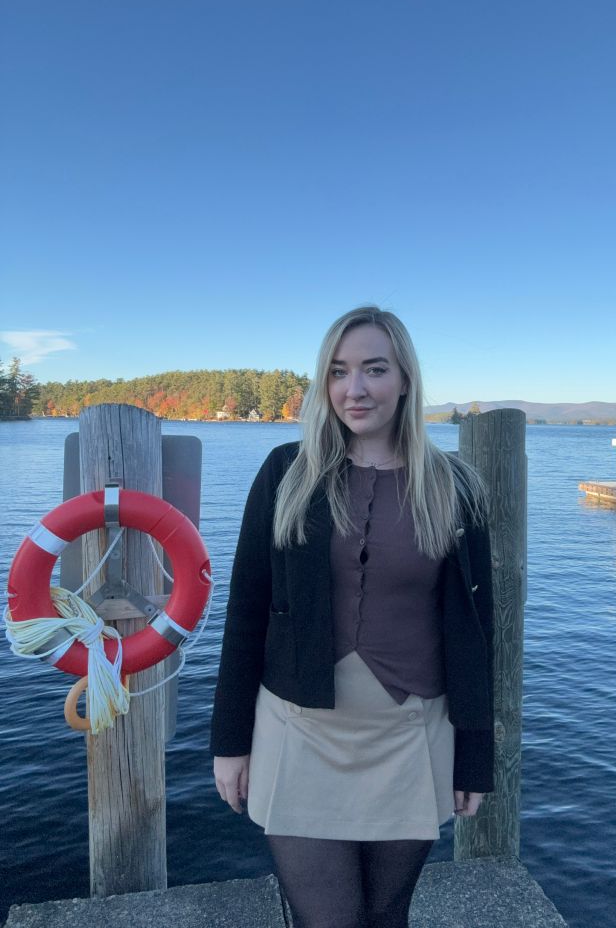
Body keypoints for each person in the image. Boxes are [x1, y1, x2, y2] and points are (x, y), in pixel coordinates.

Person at [211, 305, 494, 928]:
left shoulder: (455, 487)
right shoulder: (287, 473)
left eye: (374, 369)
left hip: (412, 734)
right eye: (338, 372)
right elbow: (247, 609)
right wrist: (230, 743)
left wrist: (475, 754)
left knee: (388, 915)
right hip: (297, 731)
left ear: (405, 380)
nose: (354, 389)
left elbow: (478, 631)